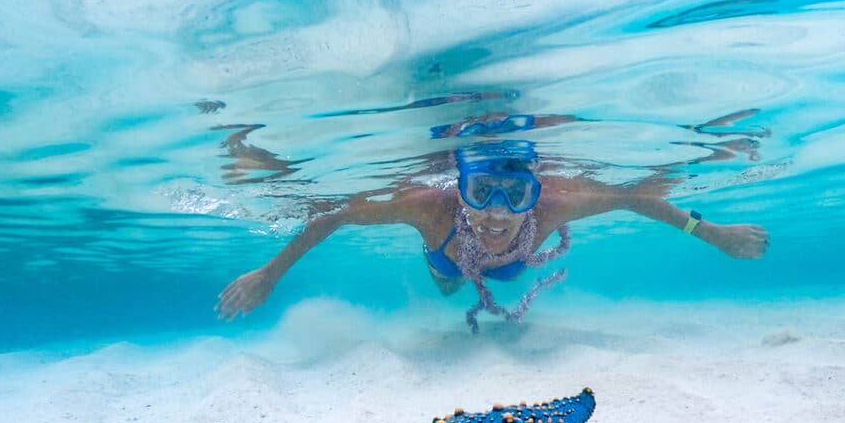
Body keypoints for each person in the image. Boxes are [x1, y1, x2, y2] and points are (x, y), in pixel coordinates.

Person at [216, 133, 769, 332]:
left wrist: (711, 230)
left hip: (512, 266)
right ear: (459, 190)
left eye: (516, 194)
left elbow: (636, 197)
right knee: (448, 282)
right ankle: (444, 280)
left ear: (536, 191)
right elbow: (333, 213)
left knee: (492, 275)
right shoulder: (429, 209)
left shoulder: (555, 205)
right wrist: (269, 273)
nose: (499, 213)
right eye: (481, 193)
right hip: (446, 256)